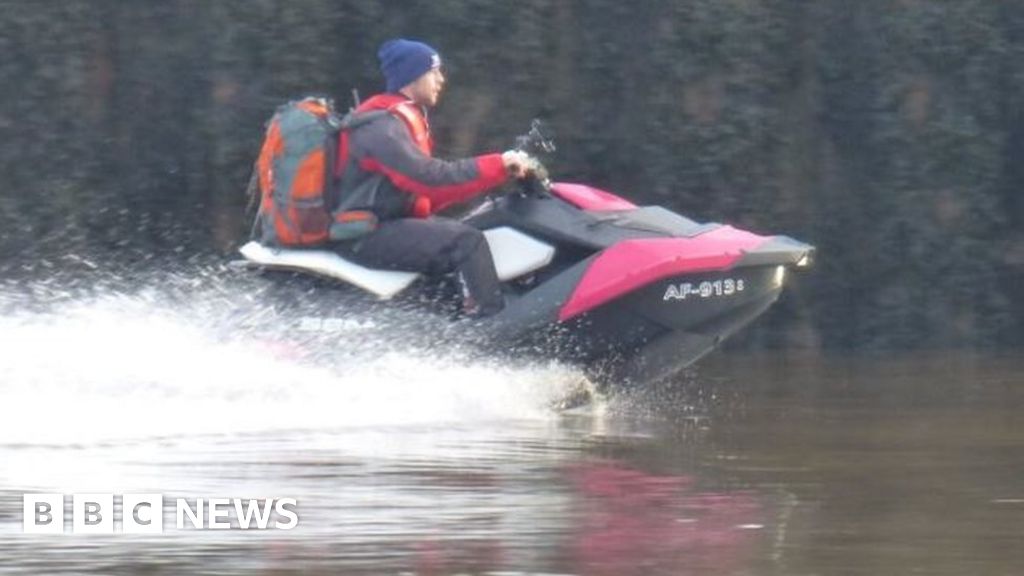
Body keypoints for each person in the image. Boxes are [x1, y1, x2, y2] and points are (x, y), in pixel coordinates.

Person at [331, 38, 532, 317]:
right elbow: (429, 179)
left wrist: (497, 175)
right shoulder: (381, 127)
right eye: (433, 71)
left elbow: (426, 193)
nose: (441, 79)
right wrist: (497, 165)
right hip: (364, 236)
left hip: (383, 226)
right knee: (467, 241)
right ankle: (490, 327)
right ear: (411, 77)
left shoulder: (395, 120)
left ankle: (452, 320)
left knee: (466, 228)